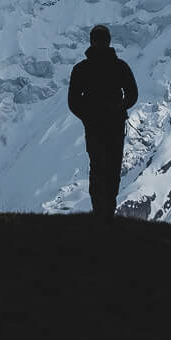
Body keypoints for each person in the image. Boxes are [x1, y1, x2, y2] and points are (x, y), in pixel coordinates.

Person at [66, 24, 139, 217]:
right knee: (108, 168)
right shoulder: (119, 66)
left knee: (102, 167)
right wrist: (119, 107)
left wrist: (88, 115)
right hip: (109, 125)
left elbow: (74, 101)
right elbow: (132, 94)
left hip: (98, 126)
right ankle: (104, 213)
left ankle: (102, 212)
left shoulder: (82, 69)